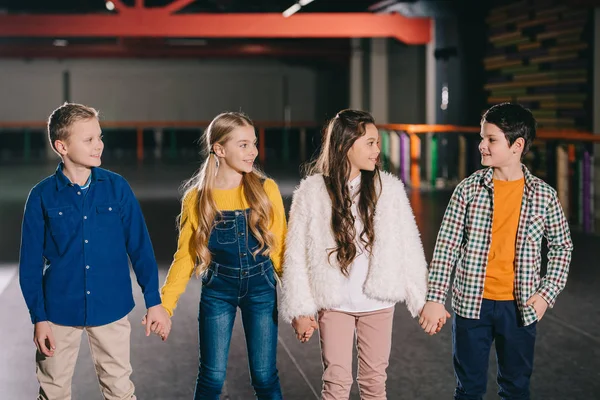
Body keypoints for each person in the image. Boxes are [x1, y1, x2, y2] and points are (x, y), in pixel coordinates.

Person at [419, 102, 573, 399]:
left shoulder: (544, 195)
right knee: (468, 389)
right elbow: (446, 246)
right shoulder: (468, 190)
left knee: (516, 388)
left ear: (517, 145)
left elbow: (561, 246)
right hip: (470, 306)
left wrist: (546, 294)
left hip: (520, 309)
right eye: (482, 138)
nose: (481, 146)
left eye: (491, 139)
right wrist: (436, 299)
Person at [19, 102, 170, 400]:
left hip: (111, 308)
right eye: (88, 140)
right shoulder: (41, 197)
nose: (99, 145)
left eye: (99, 137)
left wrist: (154, 301)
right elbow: (30, 264)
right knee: (53, 391)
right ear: (61, 146)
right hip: (58, 313)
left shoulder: (118, 188)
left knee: (119, 389)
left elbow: (140, 247)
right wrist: (39, 318)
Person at [281, 109, 430, 399]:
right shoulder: (312, 192)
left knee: (375, 383)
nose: (378, 150)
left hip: (377, 303)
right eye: (370, 143)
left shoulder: (389, 189)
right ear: (344, 146)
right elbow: (296, 254)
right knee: (335, 384)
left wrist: (422, 302)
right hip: (333, 303)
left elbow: (409, 248)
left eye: (377, 143)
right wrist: (300, 309)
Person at [160, 112, 287, 400]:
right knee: (212, 378)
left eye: (253, 143)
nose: (253, 151)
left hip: (261, 289)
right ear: (219, 149)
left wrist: (300, 305)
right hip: (218, 290)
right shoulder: (197, 197)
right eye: (243, 144)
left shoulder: (266, 190)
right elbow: (185, 256)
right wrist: (165, 305)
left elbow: (280, 249)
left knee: (265, 376)